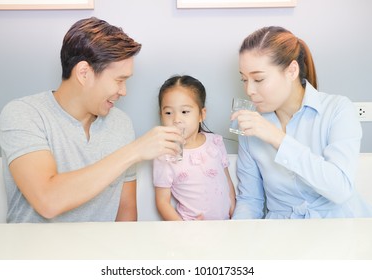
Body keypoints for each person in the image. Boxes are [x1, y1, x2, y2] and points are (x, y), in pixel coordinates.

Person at [0, 17, 184, 223]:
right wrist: (135, 151)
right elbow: (48, 200)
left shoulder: (121, 124)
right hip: (34, 253)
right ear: (84, 73)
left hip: (100, 254)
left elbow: (126, 211)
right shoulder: (24, 114)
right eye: (119, 80)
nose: (124, 91)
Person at [232, 26, 372, 219]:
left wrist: (278, 139)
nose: (249, 90)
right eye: (244, 80)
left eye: (258, 78)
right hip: (284, 235)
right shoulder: (251, 127)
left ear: (291, 71)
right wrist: (237, 242)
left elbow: (340, 189)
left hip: (341, 229)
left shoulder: (337, 109)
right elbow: (250, 201)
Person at [153, 75, 236, 221]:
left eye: (185, 112)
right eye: (168, 113)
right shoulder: (165, 154)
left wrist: (233, 209)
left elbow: (226, 180)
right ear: (161, 115)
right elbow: (162, 202)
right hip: (192, 229)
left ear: (201, 114)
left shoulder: (215, 142)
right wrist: (185, 230)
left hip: (225, 225)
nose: (176, 119)